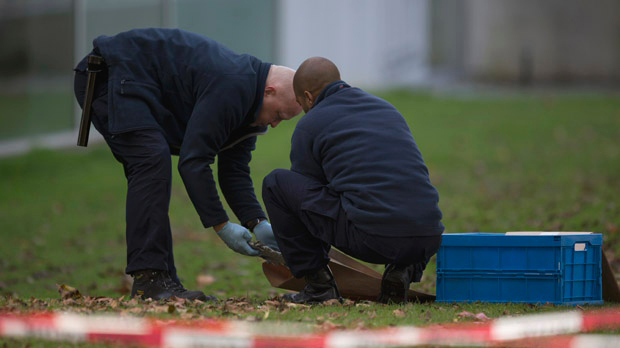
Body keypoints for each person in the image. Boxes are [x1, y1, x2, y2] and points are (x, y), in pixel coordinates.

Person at [73, 28, 300, 301]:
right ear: (269, 90)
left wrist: (257, 222)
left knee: (152, 159)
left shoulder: (250, 106)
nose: (275, 124)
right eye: (278, 115)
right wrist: (221, 226)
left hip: (138, 82)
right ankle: (150, 280)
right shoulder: (233, 86)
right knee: (150, 159)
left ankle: (164, 280)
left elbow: (234, 171)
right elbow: (194, 161)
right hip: (109, 74)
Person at [262, 57, 444, 304]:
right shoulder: (386, 108)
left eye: (301, 102)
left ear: (308, 96)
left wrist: (300, 250)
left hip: (374, 238)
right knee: (400, 200)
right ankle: (403, 269)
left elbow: (307, 204)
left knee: (277, 184)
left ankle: (319, 287)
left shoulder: (311, 124)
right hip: (428, 236)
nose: (303, 108)